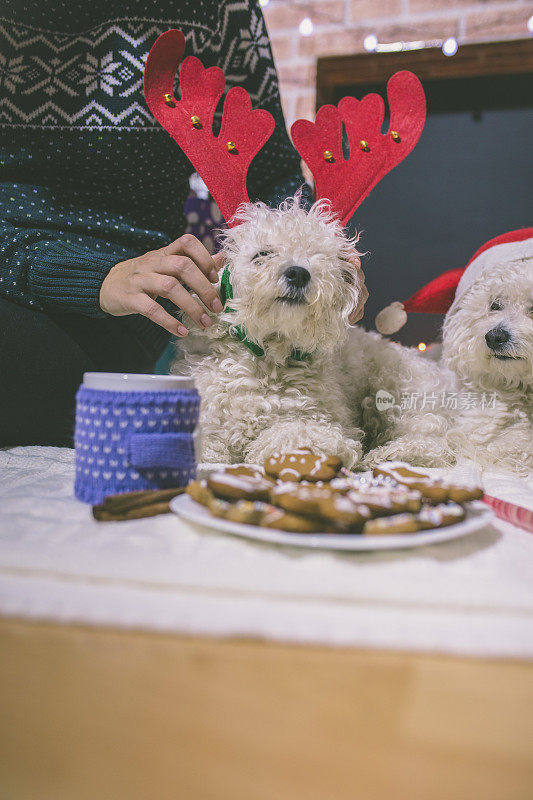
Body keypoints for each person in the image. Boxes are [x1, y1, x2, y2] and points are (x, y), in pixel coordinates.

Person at [0, 0, 366, 447]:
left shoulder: (223, 10)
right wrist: (92, 277)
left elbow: (269, 174)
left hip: (142, 302)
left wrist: (323, 254)